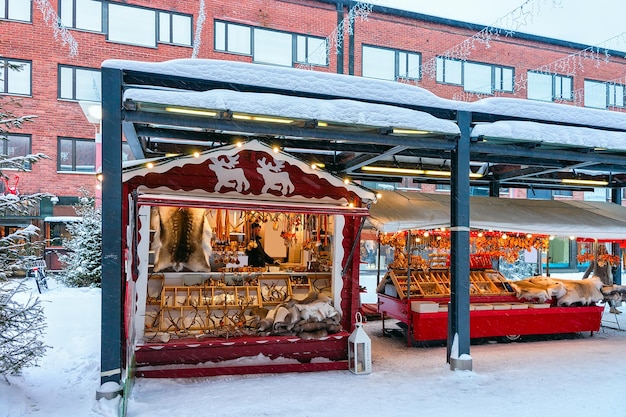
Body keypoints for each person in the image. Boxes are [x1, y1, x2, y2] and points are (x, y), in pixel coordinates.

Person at [582, 244, 621, 314]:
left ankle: (612, 308)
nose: (603, 251)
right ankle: (591, 308)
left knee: (609, 294)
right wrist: (584, 279)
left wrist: (615, 265)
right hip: (598, 282)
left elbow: (612, 269)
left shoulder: (608, 260)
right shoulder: (595, 260)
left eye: (604, 249)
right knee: (596, 295)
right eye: (601, 250)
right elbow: (589, 270)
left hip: (607, 281)